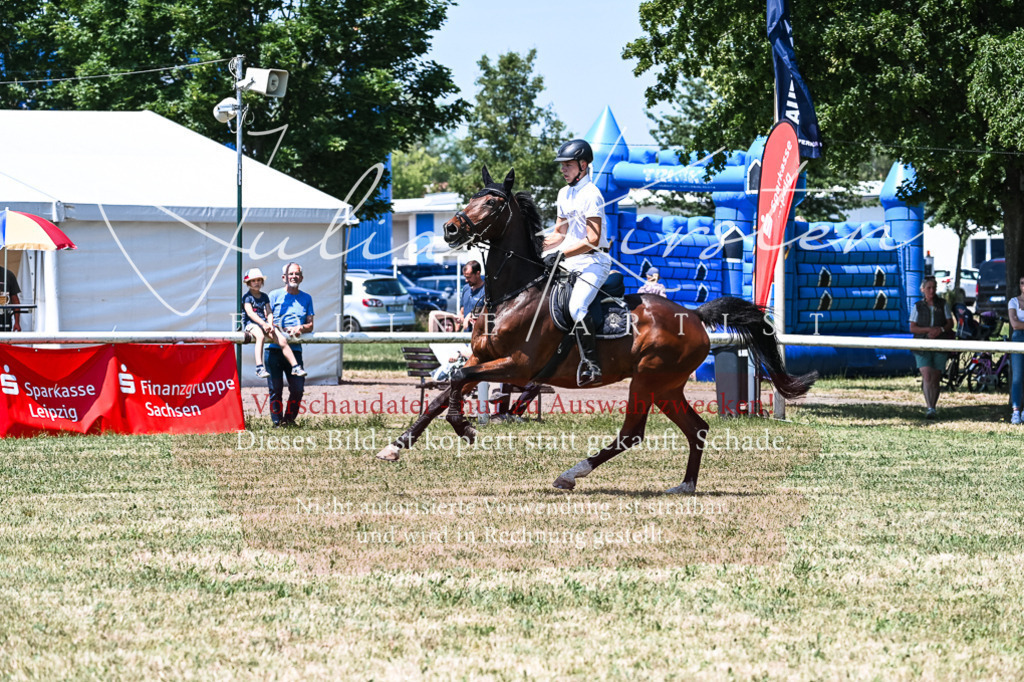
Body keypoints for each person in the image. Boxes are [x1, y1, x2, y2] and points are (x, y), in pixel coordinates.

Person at [542, 138, 612, 386]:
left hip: (594, 261)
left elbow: (592, 239)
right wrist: (536, 246)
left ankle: (592, 366)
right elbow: (559, 234)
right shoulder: (564, 193)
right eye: (562, 165)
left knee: (577, 307)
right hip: (570, 258)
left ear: (583, 165)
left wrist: (560, 255)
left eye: (568, 165)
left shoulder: (592, 195)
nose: (562, 169)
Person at [266, 262, 315, 427]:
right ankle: (277, 422)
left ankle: (289, 419)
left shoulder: (307, 298)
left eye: (297, 274)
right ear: (283, 277)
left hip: (295, 351)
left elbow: (310, 325)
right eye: (290, 274)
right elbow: (267, 321)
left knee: (298, 388)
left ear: (301, 277)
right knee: (275, 390)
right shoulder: (273, 296)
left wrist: (300, 327)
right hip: (273, 349)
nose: (294, 277)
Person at [240, 267, 305, 379]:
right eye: (253, 281)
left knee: (282, 339)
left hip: (264, 324)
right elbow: (250, 314)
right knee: (260, 337)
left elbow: (269, 312)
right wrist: (264, 324)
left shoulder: (264, 296)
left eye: (259, 280)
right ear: (248, 283)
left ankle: (295, 366)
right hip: (251, 324)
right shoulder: (247, 297)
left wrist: (269, 324)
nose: (256, 283)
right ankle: (259, 367)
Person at [909, 276, 953, 419]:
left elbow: (950, 323)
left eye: (934, 287)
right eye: (928, 288)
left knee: (936, 377)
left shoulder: (943, 304)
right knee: (927, 375)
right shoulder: (917, 306)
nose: (932, 290)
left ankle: (933, 405)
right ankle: (929, 407)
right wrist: (928, 330)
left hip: (940, 344)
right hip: (922, 345)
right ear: (923, 290)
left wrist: (939, 330)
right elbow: (913, 328)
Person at [427, 261, 486, 332]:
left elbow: (488, 312)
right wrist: (458, 321)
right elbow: (462, 311)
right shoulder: (466, 288)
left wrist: (470, 315)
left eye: (469, 277)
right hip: (466, 336)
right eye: (465, 277)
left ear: (478, 273)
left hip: (480, 335)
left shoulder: (486, 290)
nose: (466, 280)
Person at [1008, 275, 1024, 425]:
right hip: (1018, 339)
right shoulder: (1013, 301)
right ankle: (1016, 411)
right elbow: (1015, 324)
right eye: (1022, 283)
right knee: (1017, 376)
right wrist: (1019, 324)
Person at [1, 267, 22, 332]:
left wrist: (17, 323)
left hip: (4, 323)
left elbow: (15, 301)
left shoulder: (8, 275)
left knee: (4, 341)